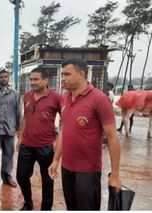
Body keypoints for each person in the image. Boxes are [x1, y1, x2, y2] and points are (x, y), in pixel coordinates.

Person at [48, 58, 121, 210]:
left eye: (67, 74)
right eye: (62, 74)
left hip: (88, 171)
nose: (63, 78)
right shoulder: (66, 98)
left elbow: (113, 137)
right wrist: (56, 159)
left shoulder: (99, 99)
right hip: (67, 168)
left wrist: (114, 174)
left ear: (81, 74)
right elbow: (64, 131)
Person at [16, 66, 61, 210]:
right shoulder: (28, 96)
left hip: (46, 147)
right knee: (21, 176)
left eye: (36, 79)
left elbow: (65, 119)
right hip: (27, 145)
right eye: (31, 79)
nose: (32, 82)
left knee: (47, 181)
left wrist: (58, 141)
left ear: (45, 80)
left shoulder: (56, 97)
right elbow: (26, 117)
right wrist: (20, 138)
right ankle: (28, 203)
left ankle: (46, 209)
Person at [0, 69, 21, 188]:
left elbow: (18, 111)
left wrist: (18, 126)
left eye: (5, 77)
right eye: (1, 77)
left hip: (9, 128)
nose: (3, 78)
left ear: (9, 78)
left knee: (9, 153)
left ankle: (7, 177)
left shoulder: (14, 93)